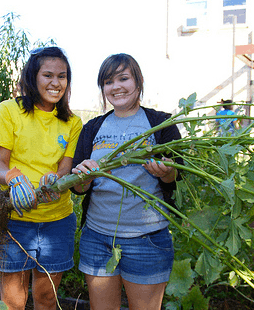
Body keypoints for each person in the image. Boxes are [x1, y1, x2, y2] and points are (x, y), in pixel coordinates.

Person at [70, 53, 182, 310]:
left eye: (123, 78)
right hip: (97, 237)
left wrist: (164, 172)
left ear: (138, 81)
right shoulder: (93, 128)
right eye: (109, 82)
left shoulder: (161, 124)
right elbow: (78, 187)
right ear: (103, 88)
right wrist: (83, 177)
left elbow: (178, 176)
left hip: (147, 239)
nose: (116, 86)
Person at [0, 46, 82, 310]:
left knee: (46, 298)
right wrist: (13, 178)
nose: (56, 83)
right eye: (48, 75)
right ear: (33, 77)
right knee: (13, 302)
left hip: (57, 221)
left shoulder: (73, 123)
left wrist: (56, 179)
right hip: (14, 220)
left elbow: (65, 168)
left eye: (62, 76)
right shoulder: (9, 110)